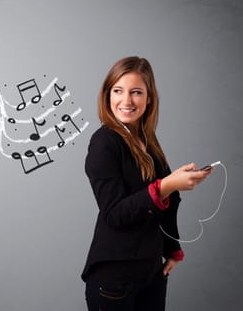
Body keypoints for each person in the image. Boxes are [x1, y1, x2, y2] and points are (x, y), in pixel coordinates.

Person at [81, 56, 212, 311]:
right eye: (118, 91)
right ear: (107, 95)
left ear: (149, 97)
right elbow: (115, 214)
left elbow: (168, 201)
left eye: (136, 92)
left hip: (151, 273)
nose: (126, 101)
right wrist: (167, 185)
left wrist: (173, 249)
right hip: (114, 280)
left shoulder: (147, 140)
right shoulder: (103, 143)